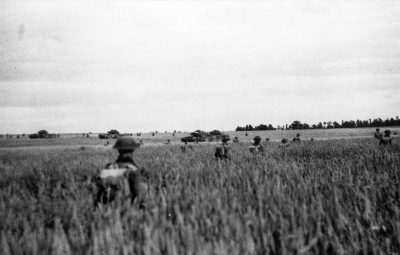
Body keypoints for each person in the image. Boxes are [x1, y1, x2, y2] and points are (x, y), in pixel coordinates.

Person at [95, 137, 148, 208]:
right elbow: (141, 196)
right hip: (126, 210)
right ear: (132, 151)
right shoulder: (134, 170)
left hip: (105, 210)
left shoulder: (107, 168)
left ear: (118, 151)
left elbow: (96, 193)